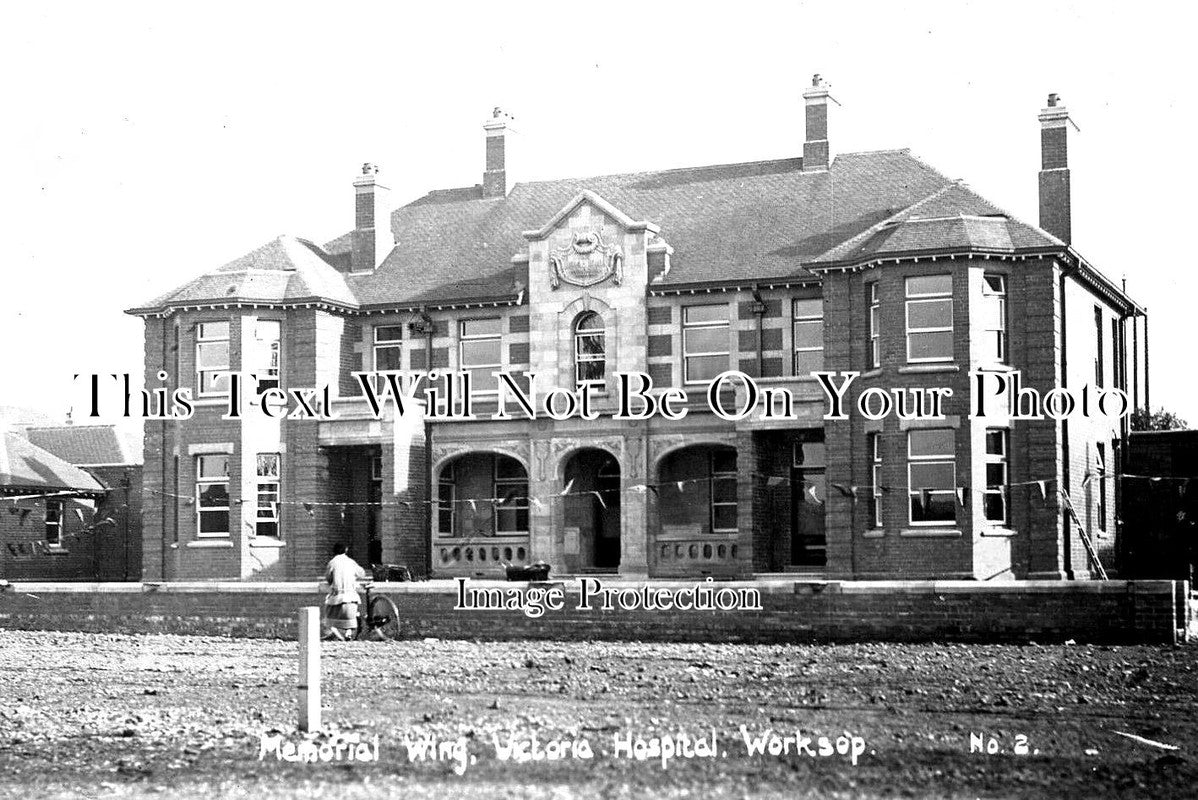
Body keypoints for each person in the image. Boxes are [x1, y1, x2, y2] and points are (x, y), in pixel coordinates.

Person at [324, 543, 366, 640]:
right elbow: (362, 574)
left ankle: (333, 631)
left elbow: (328, 578)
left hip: (338, 598)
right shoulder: (351, 562)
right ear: (346, 550)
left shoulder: (332, 563)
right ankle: (348, 633)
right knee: (350, 617)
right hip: (351, 597)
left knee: (330, 613)